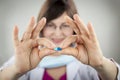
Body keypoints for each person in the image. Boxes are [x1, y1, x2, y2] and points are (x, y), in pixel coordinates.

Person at [0, 0, 120, 80]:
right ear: (41, 28)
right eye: (50, 25)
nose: (57, 33)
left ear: (74, 29)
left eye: (65, 25)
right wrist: (16, 70)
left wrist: (100, 64)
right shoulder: (24, 59)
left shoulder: (87, 62)